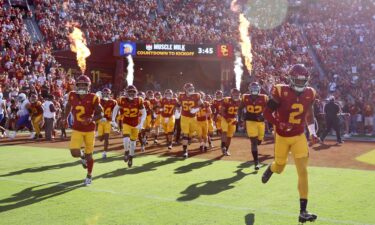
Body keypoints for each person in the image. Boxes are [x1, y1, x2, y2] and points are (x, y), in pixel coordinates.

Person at [262, 64, 319, 223]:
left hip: (299, 135)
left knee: (303, 172)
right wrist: (278, 123)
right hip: (281, 136)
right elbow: (267, 112)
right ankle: (272, 168)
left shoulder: (310, 93)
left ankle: (303, 211)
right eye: (297, 80)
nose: (301, 84)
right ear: (291, 79)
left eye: (303, 81)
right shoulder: (281, 91)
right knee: (280, 166)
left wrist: (313, 132)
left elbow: (309, 113)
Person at [62, 75, 103, 186]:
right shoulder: (72, 95)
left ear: (88, 86)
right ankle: (82, 156)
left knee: (90, 155)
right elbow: (68, 106)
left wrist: (91, 119)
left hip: (89, 129)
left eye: (83, 85)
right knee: (74, 153)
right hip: (77, 128)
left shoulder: (93, 97)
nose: (81, 87)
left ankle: (89, 175)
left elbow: (101, 113)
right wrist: (65, 117)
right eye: (79, 85)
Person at [112, 85, 146, 168]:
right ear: (126, 92)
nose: (131, 93)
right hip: (126, 122)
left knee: (133, 143)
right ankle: (126, 152)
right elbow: (115, 109)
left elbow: (144, 112)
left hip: (135, 123)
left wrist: (141, 123)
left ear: (136, 93)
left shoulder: (139, 100)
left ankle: (131, 157)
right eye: (129, 92)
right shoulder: (121, 100)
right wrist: (113, 120)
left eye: (133, 92)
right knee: (126, 139)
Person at [241, 82, 268, 170]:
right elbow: (240, 107)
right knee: (254, 142)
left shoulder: (264, 97)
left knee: (259, 141)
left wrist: (264, 115)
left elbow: (269, 108)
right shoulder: (245, 97)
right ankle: (256, 162)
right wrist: (241, 118)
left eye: (256, 88)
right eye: (253, 88)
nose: (255, 90)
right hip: (250, 121)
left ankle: (258, 142)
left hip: (261, 122)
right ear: (250, 89)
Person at [178, 83, 203, 158]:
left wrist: (197, 109)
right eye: (189, 88)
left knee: (192, 132)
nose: (191, 89)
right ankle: (185, 151)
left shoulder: (196, 95)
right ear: (185, 89)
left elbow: (202, 105)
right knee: (185, 134)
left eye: (191, 88)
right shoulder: (181, 96)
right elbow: (178, 105)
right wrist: (177, 111)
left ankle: (189, 138)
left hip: (193, 117)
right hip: (184, 117)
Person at [220, 88, 242, 156]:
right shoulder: (227, 100)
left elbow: (238, 112)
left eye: (238, 94)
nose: (237, 96)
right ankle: (223, 147)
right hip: (225, 118)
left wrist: (237, 119)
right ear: (231, 94)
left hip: (233, 119)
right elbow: (222, 111)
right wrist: (227, 118)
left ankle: (226, 150)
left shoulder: (240, 101)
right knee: (224, 131)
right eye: (235, 94)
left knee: (229, 136)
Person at [97, 88, 117, 158]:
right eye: (105, 93)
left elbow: (116, 111)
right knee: (100, 139)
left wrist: (114, 121)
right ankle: (100, 136)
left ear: (110, 94)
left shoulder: (113, 102)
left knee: (106, 138)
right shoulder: (98, 101)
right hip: (100, 121)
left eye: (107, 93)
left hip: (108, 122)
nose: (106, 94)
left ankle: (104, 153)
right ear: (102, 94)